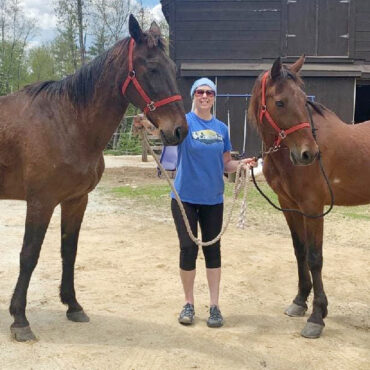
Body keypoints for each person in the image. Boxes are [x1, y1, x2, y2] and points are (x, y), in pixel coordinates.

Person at [171, 77, 256, 328]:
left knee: (212, 251)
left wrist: (240, 165)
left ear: (214, 97)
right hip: (184, 198)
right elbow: (166, 133)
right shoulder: (184, 123)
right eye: (200, 92)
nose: (205, 96)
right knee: (188, 248)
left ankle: (215, 306)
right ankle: (188, 303)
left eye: (209, 92)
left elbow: (226, 164)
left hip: (213, 199)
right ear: (193, 95)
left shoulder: (221, 129)